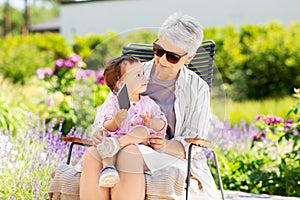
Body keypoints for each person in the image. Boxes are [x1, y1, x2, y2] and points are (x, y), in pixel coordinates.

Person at [80, 11, 219, 200]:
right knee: (92, 155)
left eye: (172, 57)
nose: (161, 60)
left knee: (129, 154)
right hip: (120, 142)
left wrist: (166, 144)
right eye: (158, 50)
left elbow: (194, 143)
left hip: (165, 154)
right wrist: (100, 131)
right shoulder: (134, 73)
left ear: (188, 58)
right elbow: (108, 112)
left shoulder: (197, 88)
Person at [96, 56, 167, 188]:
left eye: (143, 74)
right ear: (121, 84)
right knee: (106, 138)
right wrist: (116, 120)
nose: (144, 78)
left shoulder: (148, 103)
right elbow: (106, 125)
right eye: (137, 75)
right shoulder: (114, 101)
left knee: (141, 130)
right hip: (116, 137)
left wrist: (151, 123)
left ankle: (116, 145)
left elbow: (162, 123)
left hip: (140, 144)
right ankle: (108, 170)